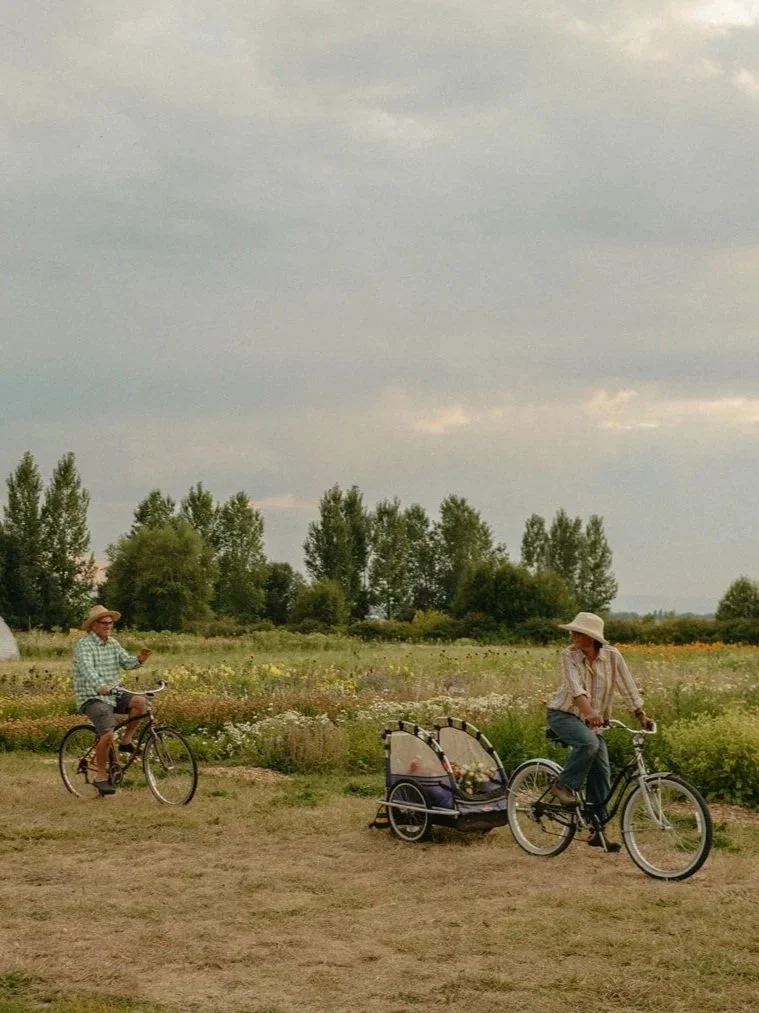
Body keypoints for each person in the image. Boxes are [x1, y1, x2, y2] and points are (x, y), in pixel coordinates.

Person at [546, 611, 654, 852]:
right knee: (589, 745)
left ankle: (598, 831)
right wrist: (591, 713)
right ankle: (563, 785)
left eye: (579, 632)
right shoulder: (569, 656)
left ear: (592, 636)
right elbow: (576, 690)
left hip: (594, 722)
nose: (573, 635)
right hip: (564, 715)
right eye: (573, 631)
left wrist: (641, 715)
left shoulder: (613, 656)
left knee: (602, 774)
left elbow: (628, 686)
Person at [72, 604, 152, 796]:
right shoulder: (84, 645)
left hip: (113, 692)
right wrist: (100, 686)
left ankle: (126, 741)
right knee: (107, 734)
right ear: (94, 625)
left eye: (111, 623)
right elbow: (87, 670)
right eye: (104, 622)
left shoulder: (113, 643)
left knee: (140, 702)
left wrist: (139, 659)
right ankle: (100, 777)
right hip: (92, 696)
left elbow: (126, 662)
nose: (108, 626)